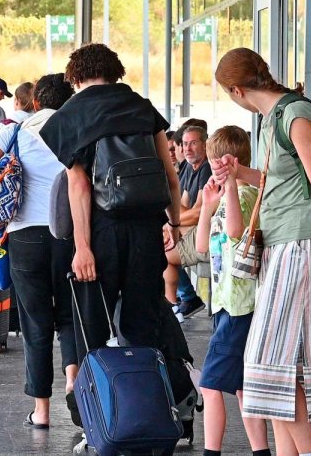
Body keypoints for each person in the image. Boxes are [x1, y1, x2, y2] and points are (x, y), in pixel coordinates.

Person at [210, 48, 311, 456]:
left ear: (236, 89)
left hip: (303, 245)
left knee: (273, 366)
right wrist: (240, 173)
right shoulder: (273, 119)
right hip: (282, 246)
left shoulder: (296, 116)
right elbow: (287, 180)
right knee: (269, 376)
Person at [38, 43, 183, 430]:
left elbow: (79, 186)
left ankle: (101, 423)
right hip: (147, 230)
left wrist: (82, 247)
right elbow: (169, 176)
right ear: (114, 70)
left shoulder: (72, 114)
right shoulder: (141, 106)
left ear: (76, 75)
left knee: (92, 332)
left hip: (101, 233)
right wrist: (174, 223)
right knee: (143, 330)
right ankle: (147, 418)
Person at [0, 73, 78, 429]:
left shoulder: (18, 129)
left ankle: (41, 411)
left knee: (35, 323)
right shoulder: (77, 128)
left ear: (37, 102)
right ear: (70, 101)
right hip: (70, 235)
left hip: (25, 238)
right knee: (70, 317)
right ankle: (74, 381)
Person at [195, 126, 269, 456]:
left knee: (210, 385)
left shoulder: (245, 195)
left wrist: (228, 191)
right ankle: (261, 451)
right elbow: (200, 246)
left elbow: (238, 232)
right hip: (225, 303)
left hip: (240, 305)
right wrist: (207, 205)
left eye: (216, 162)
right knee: (241, 388)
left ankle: (212, 452)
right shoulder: (225, 197)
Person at [164, 122, 210, 321]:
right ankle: (179, 300)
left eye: (193, 143)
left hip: (203, 235)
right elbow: (181, 208)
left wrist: (172, 221)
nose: (187, 149)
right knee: (164, 236)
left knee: (162, 249)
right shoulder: (189, 169)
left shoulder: (206, 168)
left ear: (205, 145)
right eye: (184, 144)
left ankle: (174, 304)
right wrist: (170, 223)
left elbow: (197, 214)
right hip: (190, 230)